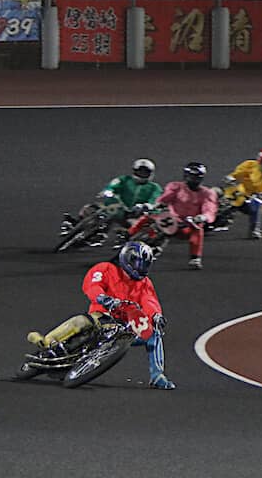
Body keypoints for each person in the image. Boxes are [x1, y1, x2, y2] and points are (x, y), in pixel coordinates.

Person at [26, 241, 175, 390]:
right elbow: (92, 285)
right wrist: (102, 298)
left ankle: (157, 376)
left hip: (126, 325)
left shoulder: (145, 283)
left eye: (145, 264)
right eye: (137, 262)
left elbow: (149, 301)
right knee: (80, 321)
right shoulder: (106, 269)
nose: (140, 267)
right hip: (101, 316)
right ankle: (47, 341)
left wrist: (156, 316)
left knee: (154, 334)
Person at [127, 162, 218, 270]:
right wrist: (152, 206)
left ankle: (195, 258)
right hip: (172, 219)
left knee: (198, 229)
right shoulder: (176, 187)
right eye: (191, 176)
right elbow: (164, 199)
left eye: (196, 177)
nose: (193, 180)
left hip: (188, 223)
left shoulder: (207, 193)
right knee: (150, 216)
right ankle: (129, 234)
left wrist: (202, 217)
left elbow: (209, 210)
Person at [60, 158, 163, 247]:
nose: (142, 174)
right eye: (140, 171)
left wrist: (147, 205)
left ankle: (108, 237)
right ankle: (75, 225)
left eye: (145, 172)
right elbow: (113, 185)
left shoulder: (154, 188)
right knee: (91, 208)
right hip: (118, 207)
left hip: (134, 215)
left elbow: (155, 199)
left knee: (138, 228)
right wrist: (108, 190)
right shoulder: (124, 180)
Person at [223, 148, 262, 239]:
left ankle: (254, 230)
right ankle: (219, 216)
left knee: (257, 204)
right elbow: (238, 173)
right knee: (223, 194)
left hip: (256, 198)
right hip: (243, 192)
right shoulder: (250, 165)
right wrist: (231, 177)